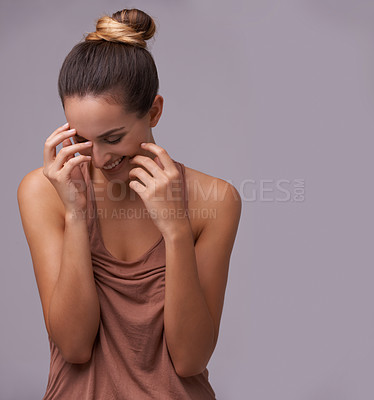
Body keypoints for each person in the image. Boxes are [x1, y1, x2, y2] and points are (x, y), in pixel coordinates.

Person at [17, 8, 242, 400]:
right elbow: (74, 346)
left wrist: (175, 229)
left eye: (113, 137)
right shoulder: (43, 191)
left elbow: (190, 359)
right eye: (81, 139)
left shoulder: (217, 200)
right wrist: (76, 214)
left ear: (154, 111)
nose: (99, 158)